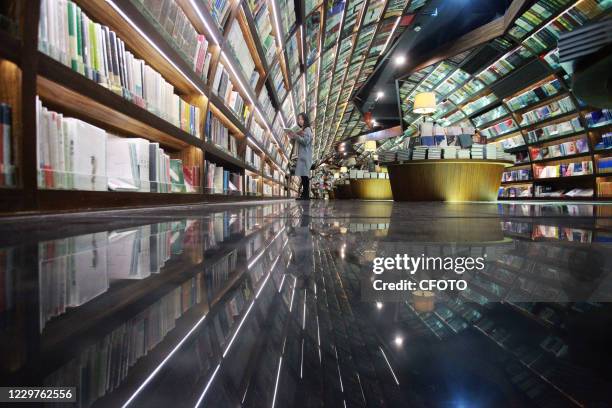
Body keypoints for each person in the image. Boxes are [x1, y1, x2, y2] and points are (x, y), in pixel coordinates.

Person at [288, 113, 313, 200]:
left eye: (301, 119)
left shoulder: (307, 129)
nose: (300, 121)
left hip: (305, 156)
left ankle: (306, 195)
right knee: (303, 176)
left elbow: (305, 141)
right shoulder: (301, 130)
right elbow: (297, 142)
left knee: (305, 176)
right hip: (301, 156)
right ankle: (304, 195)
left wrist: (296, 136)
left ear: (305, 120)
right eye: (298, 119)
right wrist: (292, 137)